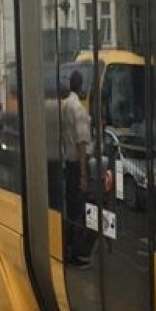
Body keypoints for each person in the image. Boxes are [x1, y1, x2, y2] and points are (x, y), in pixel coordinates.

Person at [60, 68, 92, 265]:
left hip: (67, 162)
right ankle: (74, 253)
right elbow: (81, 143)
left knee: (71, 210)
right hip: (76, 164)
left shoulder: (64, 105)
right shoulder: (77, 108)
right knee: (78, 211)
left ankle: (68, 249)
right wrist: (83, 174)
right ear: (81, 86)